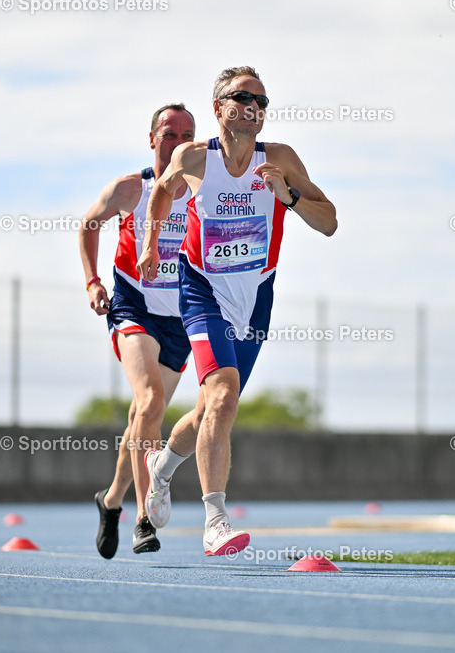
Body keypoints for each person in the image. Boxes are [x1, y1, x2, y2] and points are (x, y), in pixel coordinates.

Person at [137, 67, 337, 556]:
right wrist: (150, 245)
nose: (254, 107)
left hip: (255, 296)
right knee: (224, 398)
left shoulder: (280, 159)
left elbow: (328, 221)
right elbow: (161, 192)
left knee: (211, 408)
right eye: (243, 97)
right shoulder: (193, 158)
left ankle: (160, 470)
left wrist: (286, 196)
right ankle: (215, 520)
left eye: (262, 101)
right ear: (219, 107)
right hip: (202, 289)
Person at [78, 103, 197, 558]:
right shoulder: (131, 190)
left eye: (187, 134)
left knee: (140, 420)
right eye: (169, 133)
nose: (178, 141)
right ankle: (146, 518)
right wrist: (93, 282)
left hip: (181, 320)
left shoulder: (203, 193)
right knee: (150, 403)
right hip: (134, 308)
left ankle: (110, 501)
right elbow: (89, 225)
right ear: (152, 139)